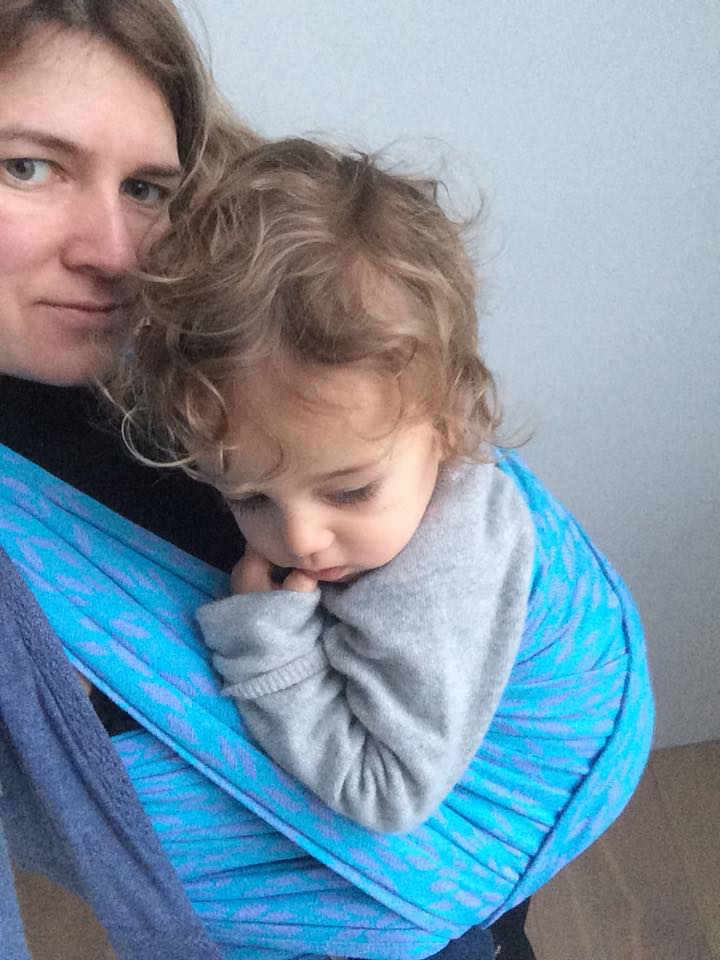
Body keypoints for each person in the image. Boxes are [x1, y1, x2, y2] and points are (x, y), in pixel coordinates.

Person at [0, 2, 538, 958]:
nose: (116, 256)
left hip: (463, 875)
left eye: (147, 187)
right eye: (27, 167)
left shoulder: (237, 329)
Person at [117, 137, 535, 834]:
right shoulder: (385, 452)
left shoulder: (438, 583)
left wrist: (267, 646)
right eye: (249, 497)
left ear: (449, 425)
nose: (300, 539)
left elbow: (387, 794)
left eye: (350, 492)